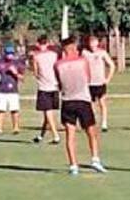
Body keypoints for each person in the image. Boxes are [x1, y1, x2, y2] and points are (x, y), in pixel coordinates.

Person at [55, 35, 106, 175]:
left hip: (67, 101)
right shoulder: (82, 61)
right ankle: (95, 159)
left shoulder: (58, 64)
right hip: (82, 100)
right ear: (71, 47)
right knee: (91, 132)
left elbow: (59, 83)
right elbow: (88, 78)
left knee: (70, 135)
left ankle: (73, 165)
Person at [82, 35, 115, 132]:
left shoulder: (102, 53)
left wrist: (108, 79)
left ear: (97, 43)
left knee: (102, 103)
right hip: (89, 83)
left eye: (94, 43)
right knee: (90, 104)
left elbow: (112, 65)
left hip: (100, 82)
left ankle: (104, 123)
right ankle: (92, 122)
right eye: (90, 43)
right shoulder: (85, 53)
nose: (92, 45)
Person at [32, 35, 61, 144]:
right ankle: (41, 135)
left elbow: (35, 72)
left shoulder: (36, 56)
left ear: (38, 44)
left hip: (44, 87)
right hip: (54, 86)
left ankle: (55, 135)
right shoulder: (54, 55)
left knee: (48, 112)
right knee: (47, 113)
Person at [0, 43, 26, 134]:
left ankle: (16, 128)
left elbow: (22, 78)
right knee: (1, 110)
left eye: (11, 53)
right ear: (4, 53)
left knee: (14, 110)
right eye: (8, 53)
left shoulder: (17, 63)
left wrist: (15, 73)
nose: (9, 55)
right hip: (1, 90)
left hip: (13, 91)